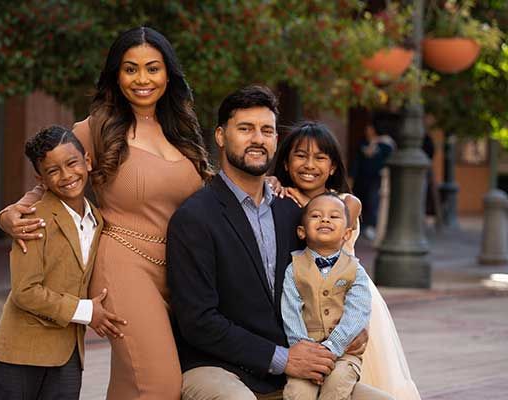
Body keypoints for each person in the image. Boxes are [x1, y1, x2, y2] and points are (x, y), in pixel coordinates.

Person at [0, 27, 212, 399]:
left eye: (152, 68)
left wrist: (273, 187)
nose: (142, 79)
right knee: (160, 384)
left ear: (168, 74)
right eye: (130, 69)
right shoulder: (94, 128)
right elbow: (57, 176)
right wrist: (10, 214)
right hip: (122, 266)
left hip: (179, 270)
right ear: (116, 75)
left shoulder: (183, 129)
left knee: (132, 383)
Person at [167, 86, 392, 400]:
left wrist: (349, 330)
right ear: (220, 136)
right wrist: (284, 358)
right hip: (219, 367)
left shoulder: (295, 215)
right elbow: (199, 322)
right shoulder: (194, 217)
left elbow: (326, 280)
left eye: (267, 130)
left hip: (294, 371)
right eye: (245, 129)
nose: (258, 138)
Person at [273, 122, 421, 400]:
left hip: (351, 301)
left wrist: (299, 198)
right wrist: (273, 184)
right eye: (300, 155)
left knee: (353, 378)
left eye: (320, 157)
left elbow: (327, 223)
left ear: (332, 167)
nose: (309, 164)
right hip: (309, 301)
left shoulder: (348, 202)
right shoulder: (281, 197)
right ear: (286, 162)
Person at [0, 126, 126, 399]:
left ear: (87, 161)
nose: (66, 176)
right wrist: (87, 311)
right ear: (41, 179)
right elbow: (25, 292)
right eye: (53, 171)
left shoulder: (97, 219)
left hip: (69, 355)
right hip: (22, 354)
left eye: (72, 163)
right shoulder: (33, 219)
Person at [281, 193, 371, 400]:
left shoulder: (355, 270)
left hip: (344, 353)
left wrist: (332, 347)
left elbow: (358, 312)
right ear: (301, 232)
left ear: (347, 234)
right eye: (316, 215)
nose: (325, 219)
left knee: (338, 383)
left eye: (334, 216)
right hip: (306, 352)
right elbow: (290, 310)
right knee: (297, 392)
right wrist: (304, 349)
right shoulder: (293, 269)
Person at [349, 112, 397, 241]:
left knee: (374, 202)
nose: (367, 131)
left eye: (369, 129)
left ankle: (372, 227)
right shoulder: (364, 144)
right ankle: (362, 227)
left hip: (378, 181)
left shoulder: (386, 145)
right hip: (362, 181)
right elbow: (357, 162)